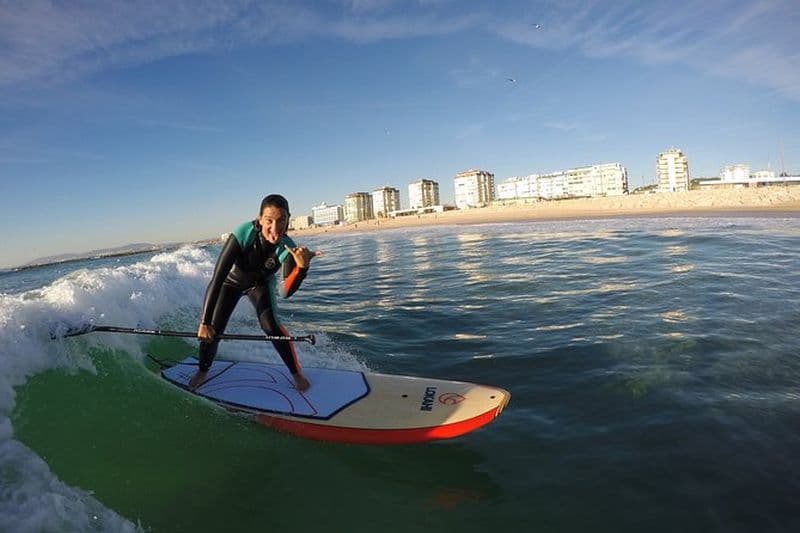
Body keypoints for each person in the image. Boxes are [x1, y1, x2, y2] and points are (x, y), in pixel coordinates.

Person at [189, 194, 320, 391]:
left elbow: (285, 292)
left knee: (271, 326)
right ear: (260, 219)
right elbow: (217, 279)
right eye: (269, 221)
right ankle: (202, 370)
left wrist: (302, 269)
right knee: (213, 329)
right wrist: (204, 322)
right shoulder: (244, 232)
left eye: (281, 220)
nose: (275, 228)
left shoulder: (288, 247)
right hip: (232, 283)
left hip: (260, 285)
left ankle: (296, 373)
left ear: (288, 220)